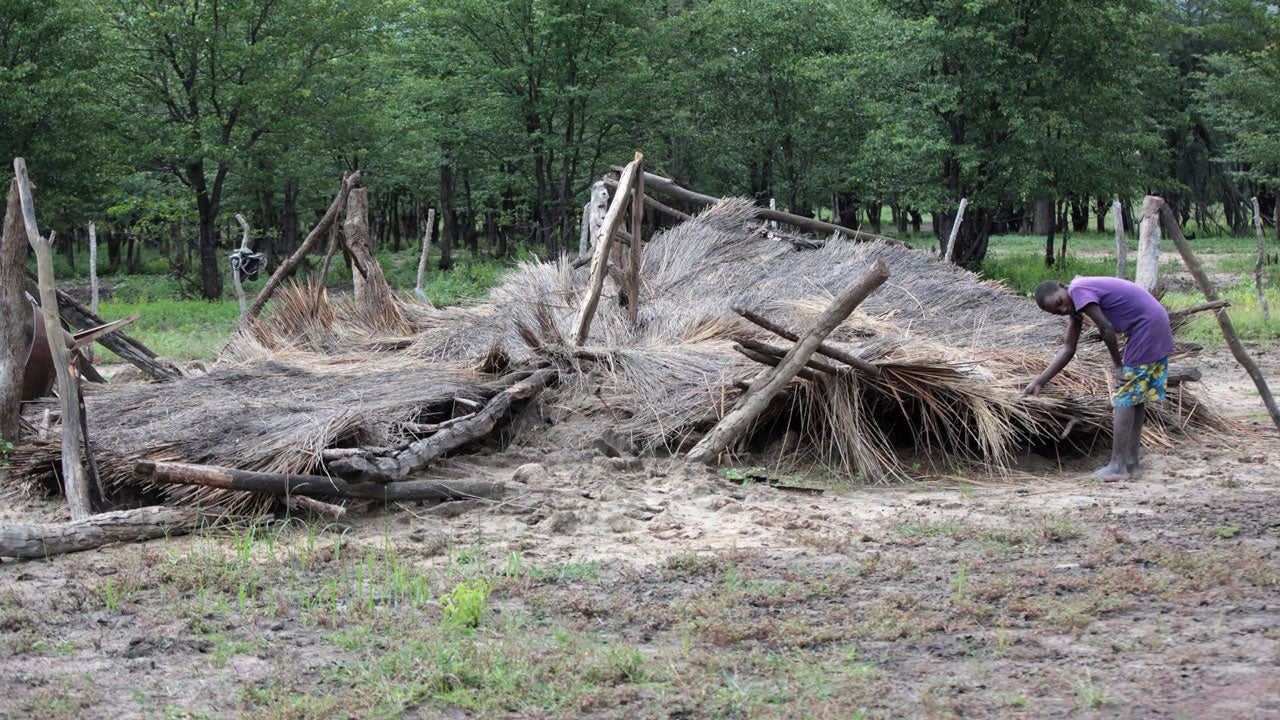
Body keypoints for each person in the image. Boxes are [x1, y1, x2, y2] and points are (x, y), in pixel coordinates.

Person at [1023, 276, 1174, 480]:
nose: (1063, 310)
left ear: (1062, 286)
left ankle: (1117, 466)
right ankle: (1131, 463)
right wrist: (1039, 381)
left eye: (1060, 302)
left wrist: (1118, 366)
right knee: (1135, 399)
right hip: (1153, 322)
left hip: (1146, 327)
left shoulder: (1078, 289)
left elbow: (1106, 328)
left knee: (1123, 395)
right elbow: (1068, 348)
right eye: (1057, 311)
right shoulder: (1076, 305)